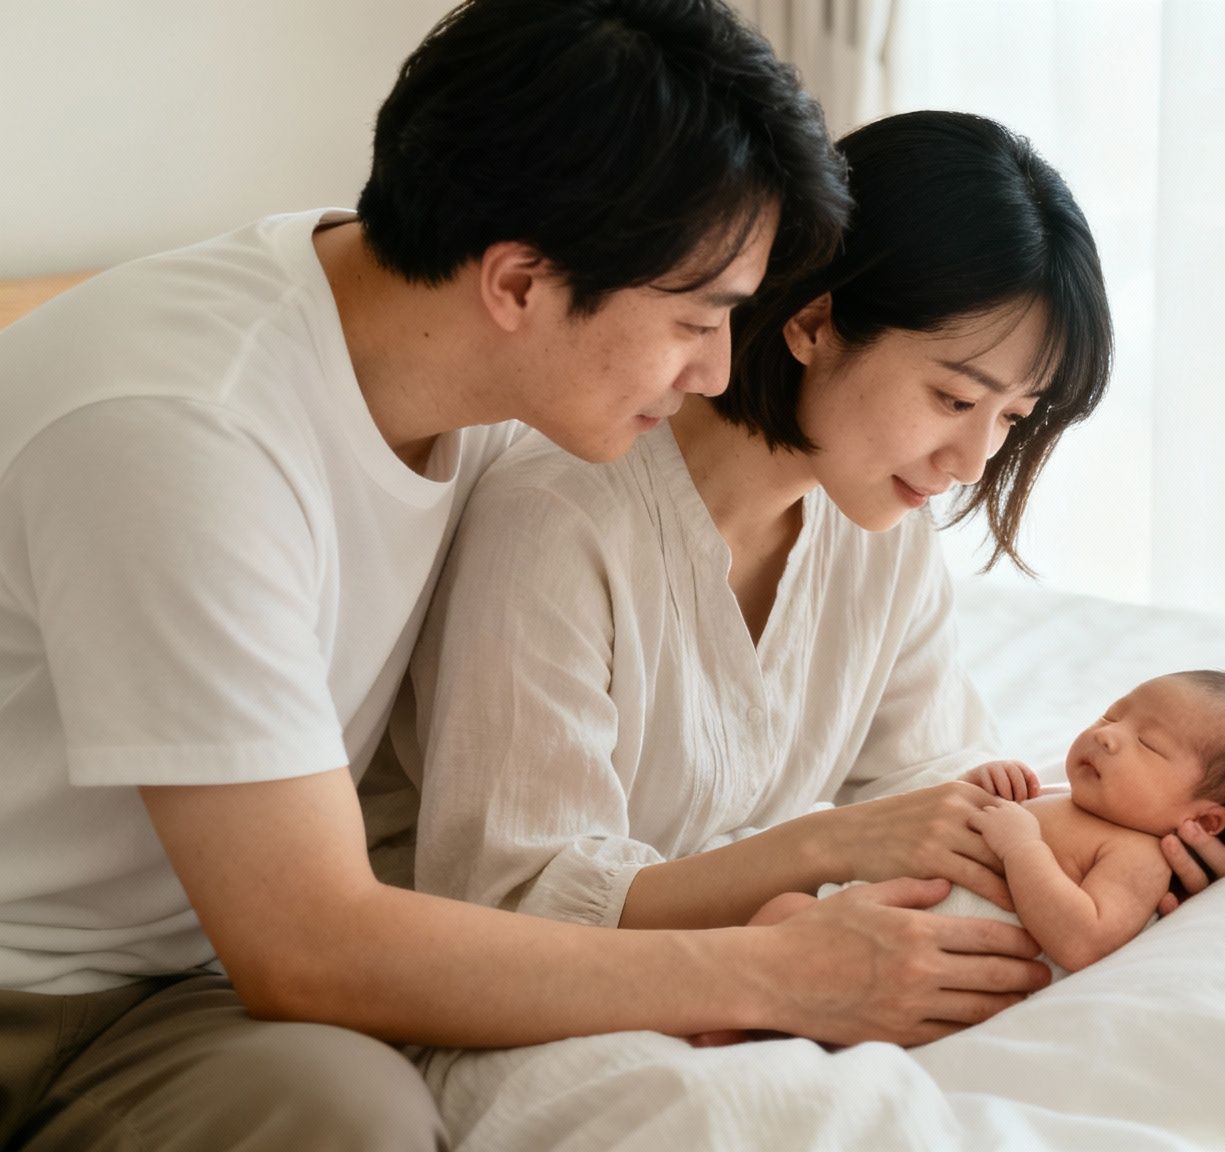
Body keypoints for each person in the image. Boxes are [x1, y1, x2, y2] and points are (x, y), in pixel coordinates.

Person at [0, 1, 902, 1148]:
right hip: (33, 981)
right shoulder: (184, 432)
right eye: (695, 317)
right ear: (519, 283)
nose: (718, 367)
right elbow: (309, 947)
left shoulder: (464, 374)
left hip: (189, 976)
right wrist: (773, 976)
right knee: (357, 1118)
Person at [398, 110, 1225, 1146]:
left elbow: (935, 783)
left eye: (1010, 420)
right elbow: (512, 905)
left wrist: (1129, 853)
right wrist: (815, 853)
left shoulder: (878, 530)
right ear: (815, 320)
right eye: (953, 396)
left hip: (775, 976)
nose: (970, 461)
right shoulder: (559, 519)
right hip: (534, 1004)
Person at [789, 671, 1225, 981]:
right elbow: (945, 821)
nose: (1108, 736)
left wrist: (1023, 849)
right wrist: (979, 784)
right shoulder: (1062, 797)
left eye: (1149, 744)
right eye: (1111, 716)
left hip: (912, 956)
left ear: (1204, 819)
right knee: (780, 914)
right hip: (860, 905)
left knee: (797, 943)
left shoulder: (1139, 855)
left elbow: (1083, 939)